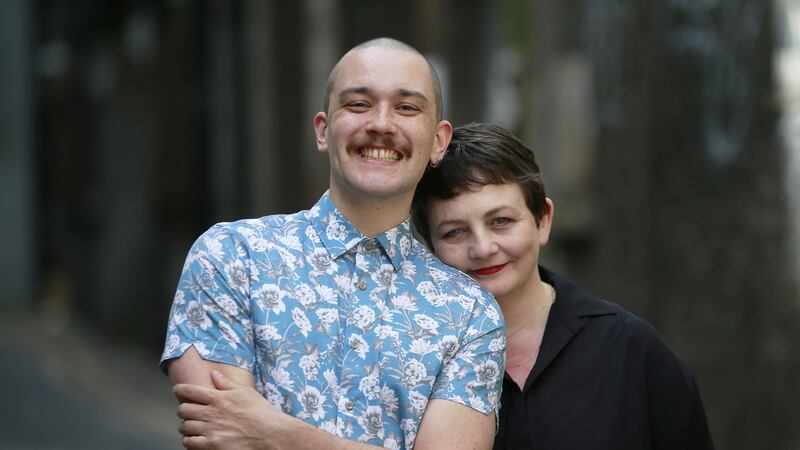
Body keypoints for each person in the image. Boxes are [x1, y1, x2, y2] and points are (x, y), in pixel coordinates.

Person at [160, 39, 505, 450]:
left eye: (407, 108)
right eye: (358, 104)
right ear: (323, 131)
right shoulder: (232, 256)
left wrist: (276, 434)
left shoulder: (469, 314)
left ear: (438, 142)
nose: (381, 123)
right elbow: (219, 437)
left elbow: (248, 436)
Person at [412, 122, 715, 450]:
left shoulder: (634, 353)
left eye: (501, 221)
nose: (483, 248)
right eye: (455, 232)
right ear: (430, 248)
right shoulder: (410, 364)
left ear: (543, 220)